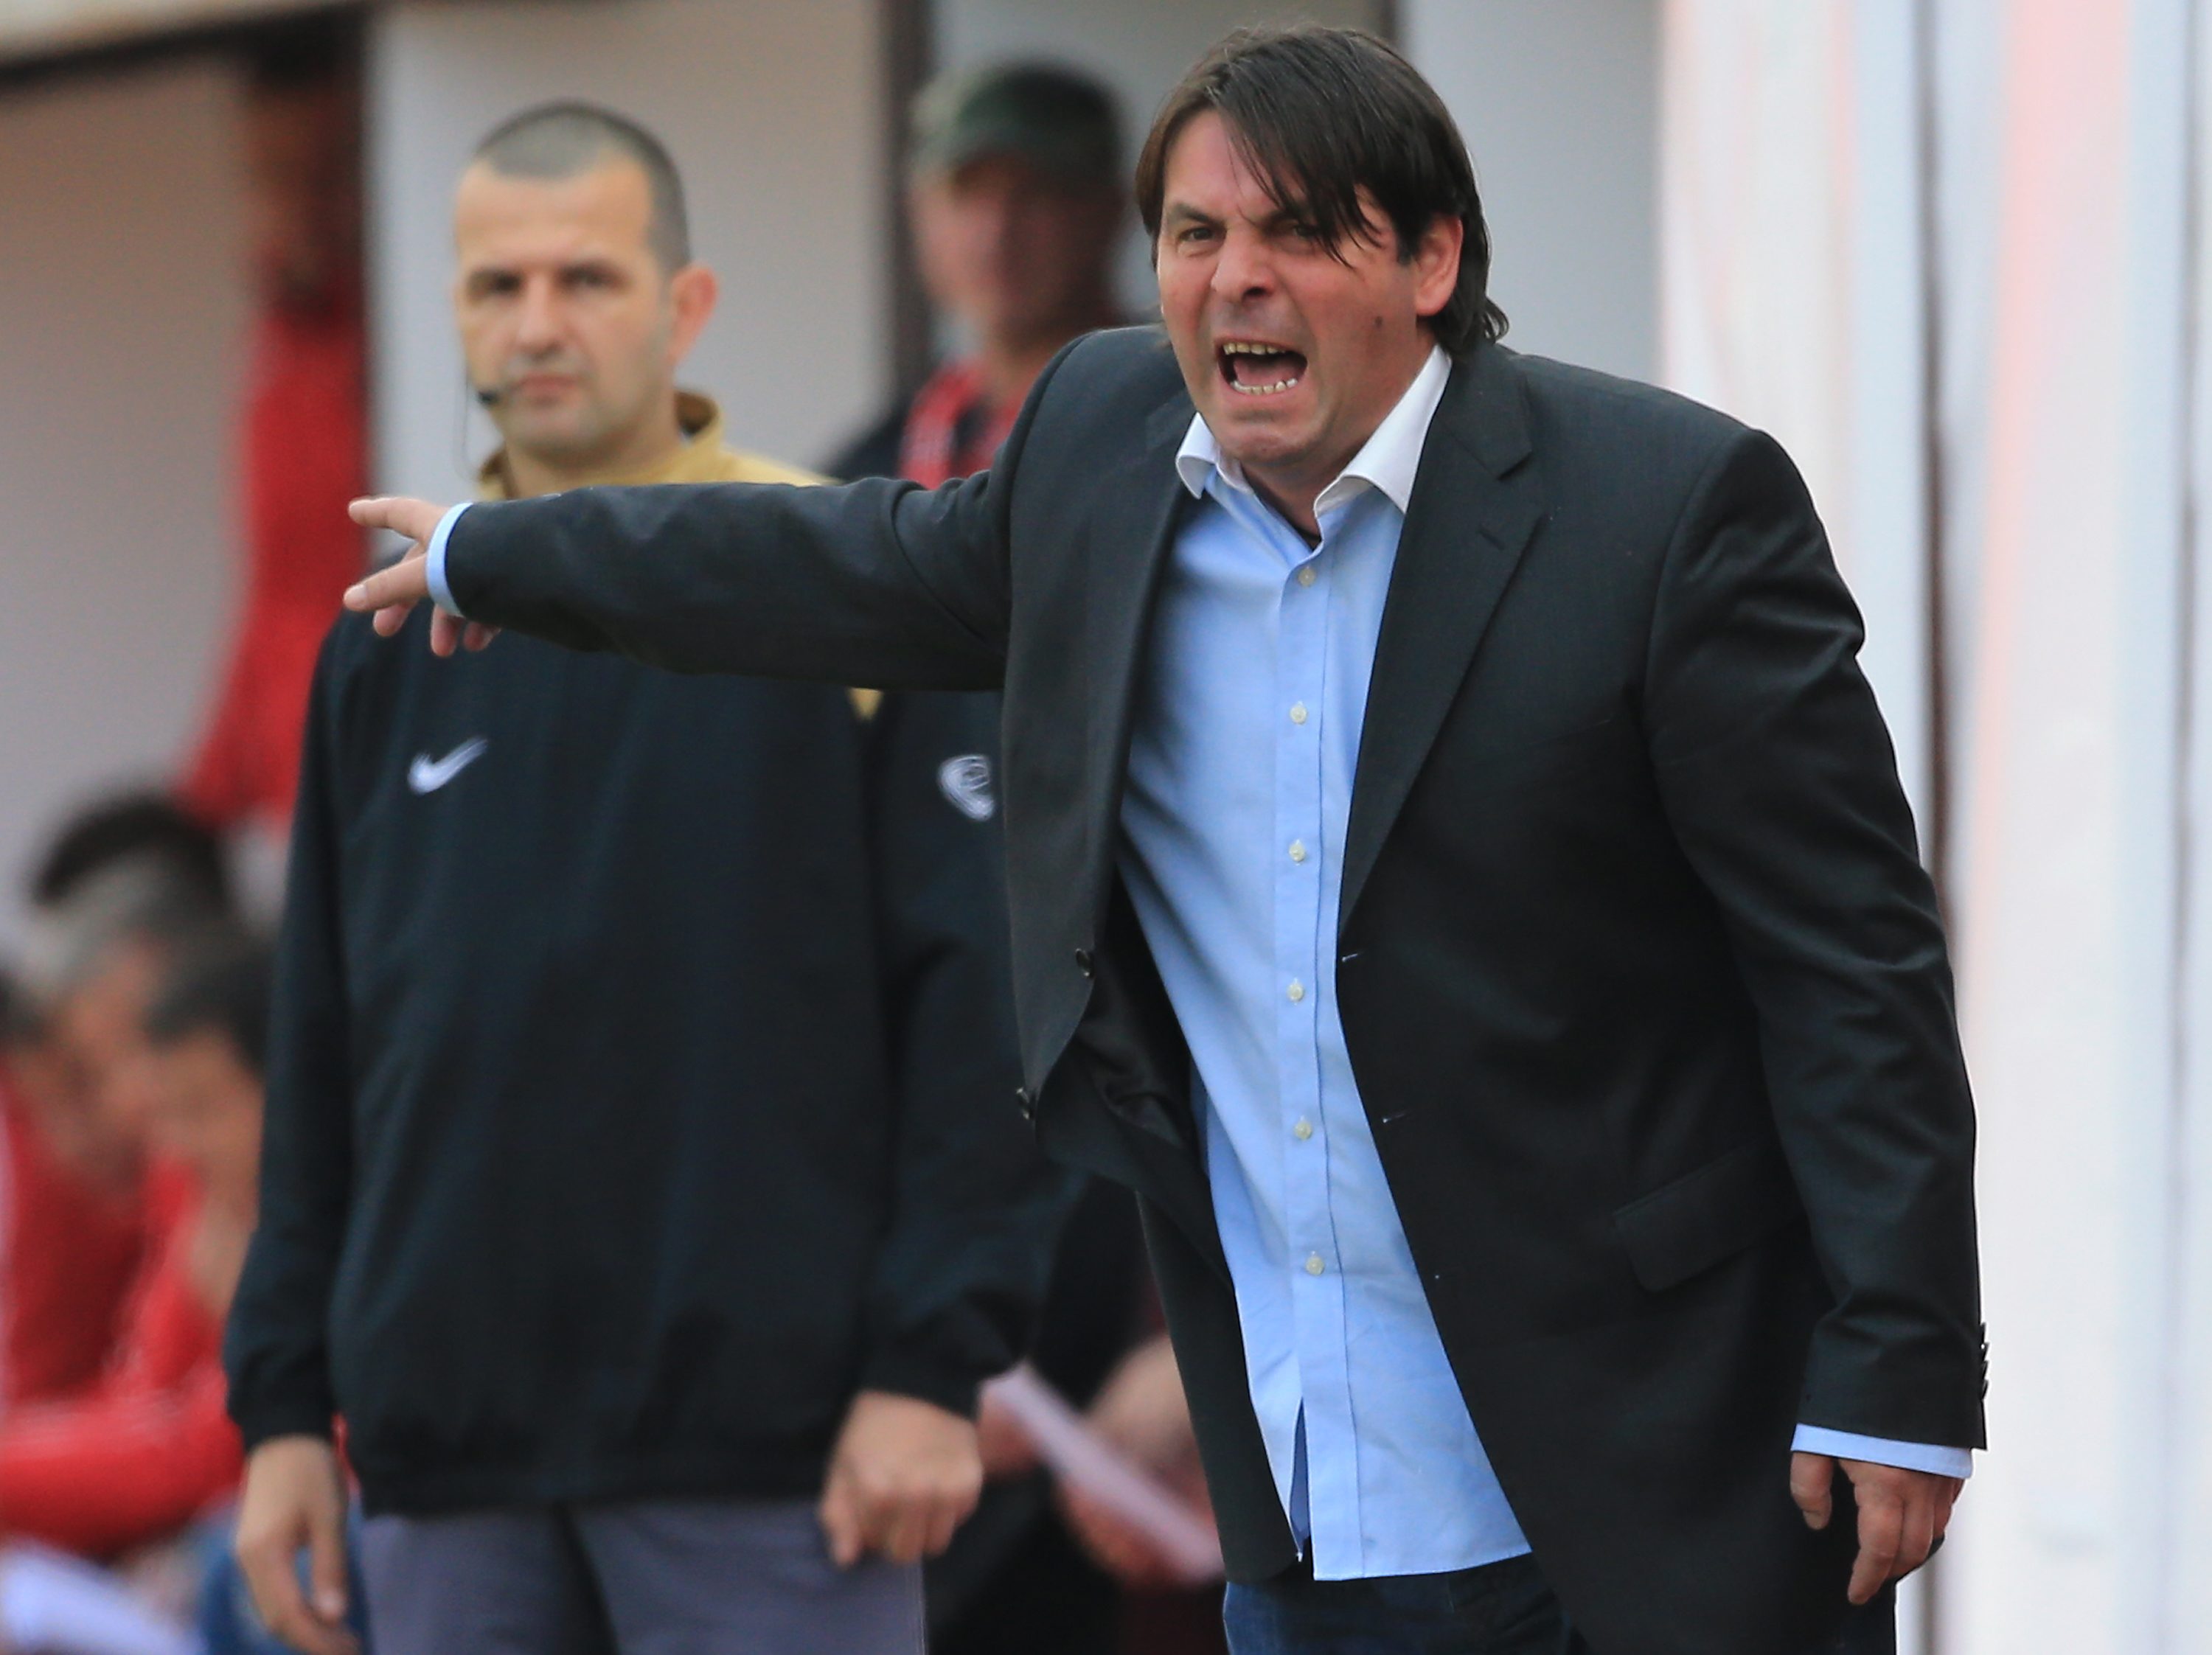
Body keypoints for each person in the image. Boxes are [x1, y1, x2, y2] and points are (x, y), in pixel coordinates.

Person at [346, 28, 1985, 1655]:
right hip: (1305, 1502)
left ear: (1432, 259)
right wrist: (506, 555)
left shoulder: (1672, 507)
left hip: (1655, 1466)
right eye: (1197, 237)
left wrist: (1900, 1361)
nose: (1234, 280)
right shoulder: (1099, 447)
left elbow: (1851, 962)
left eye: (1296, 232)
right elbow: (839, 563)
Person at [229, 102, 1065, 1655]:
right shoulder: (383, 633)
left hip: (776, 1453)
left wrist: (931, 1362)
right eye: (497, 285)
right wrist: (281, 1406)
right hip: (444, 1456)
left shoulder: (838, 578)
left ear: (686, 307)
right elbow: (324, 1045)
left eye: (589, 279)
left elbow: (985, 1002)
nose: (537, 323)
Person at [0, 923, 262, 1558]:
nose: (130, 1106)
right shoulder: (197, 1189)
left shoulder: (227, 1195)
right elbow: (145, 1394)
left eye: (115, 1060)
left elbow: (197, 1450)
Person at [180, 15, 369, 835]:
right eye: (271, 176)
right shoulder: (275, 343)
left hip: (377, 771)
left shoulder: (415, 342)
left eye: (326, 176)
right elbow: (275, 588)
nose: (299, 208)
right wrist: (204, 799)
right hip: (302, 793)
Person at [830, 61, 1125, 486]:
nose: (997, 232)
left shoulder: (1181, 430)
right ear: (919, 213)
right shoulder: (870, 469)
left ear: (1109, 211)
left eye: (1034, 191)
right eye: (966, 192)